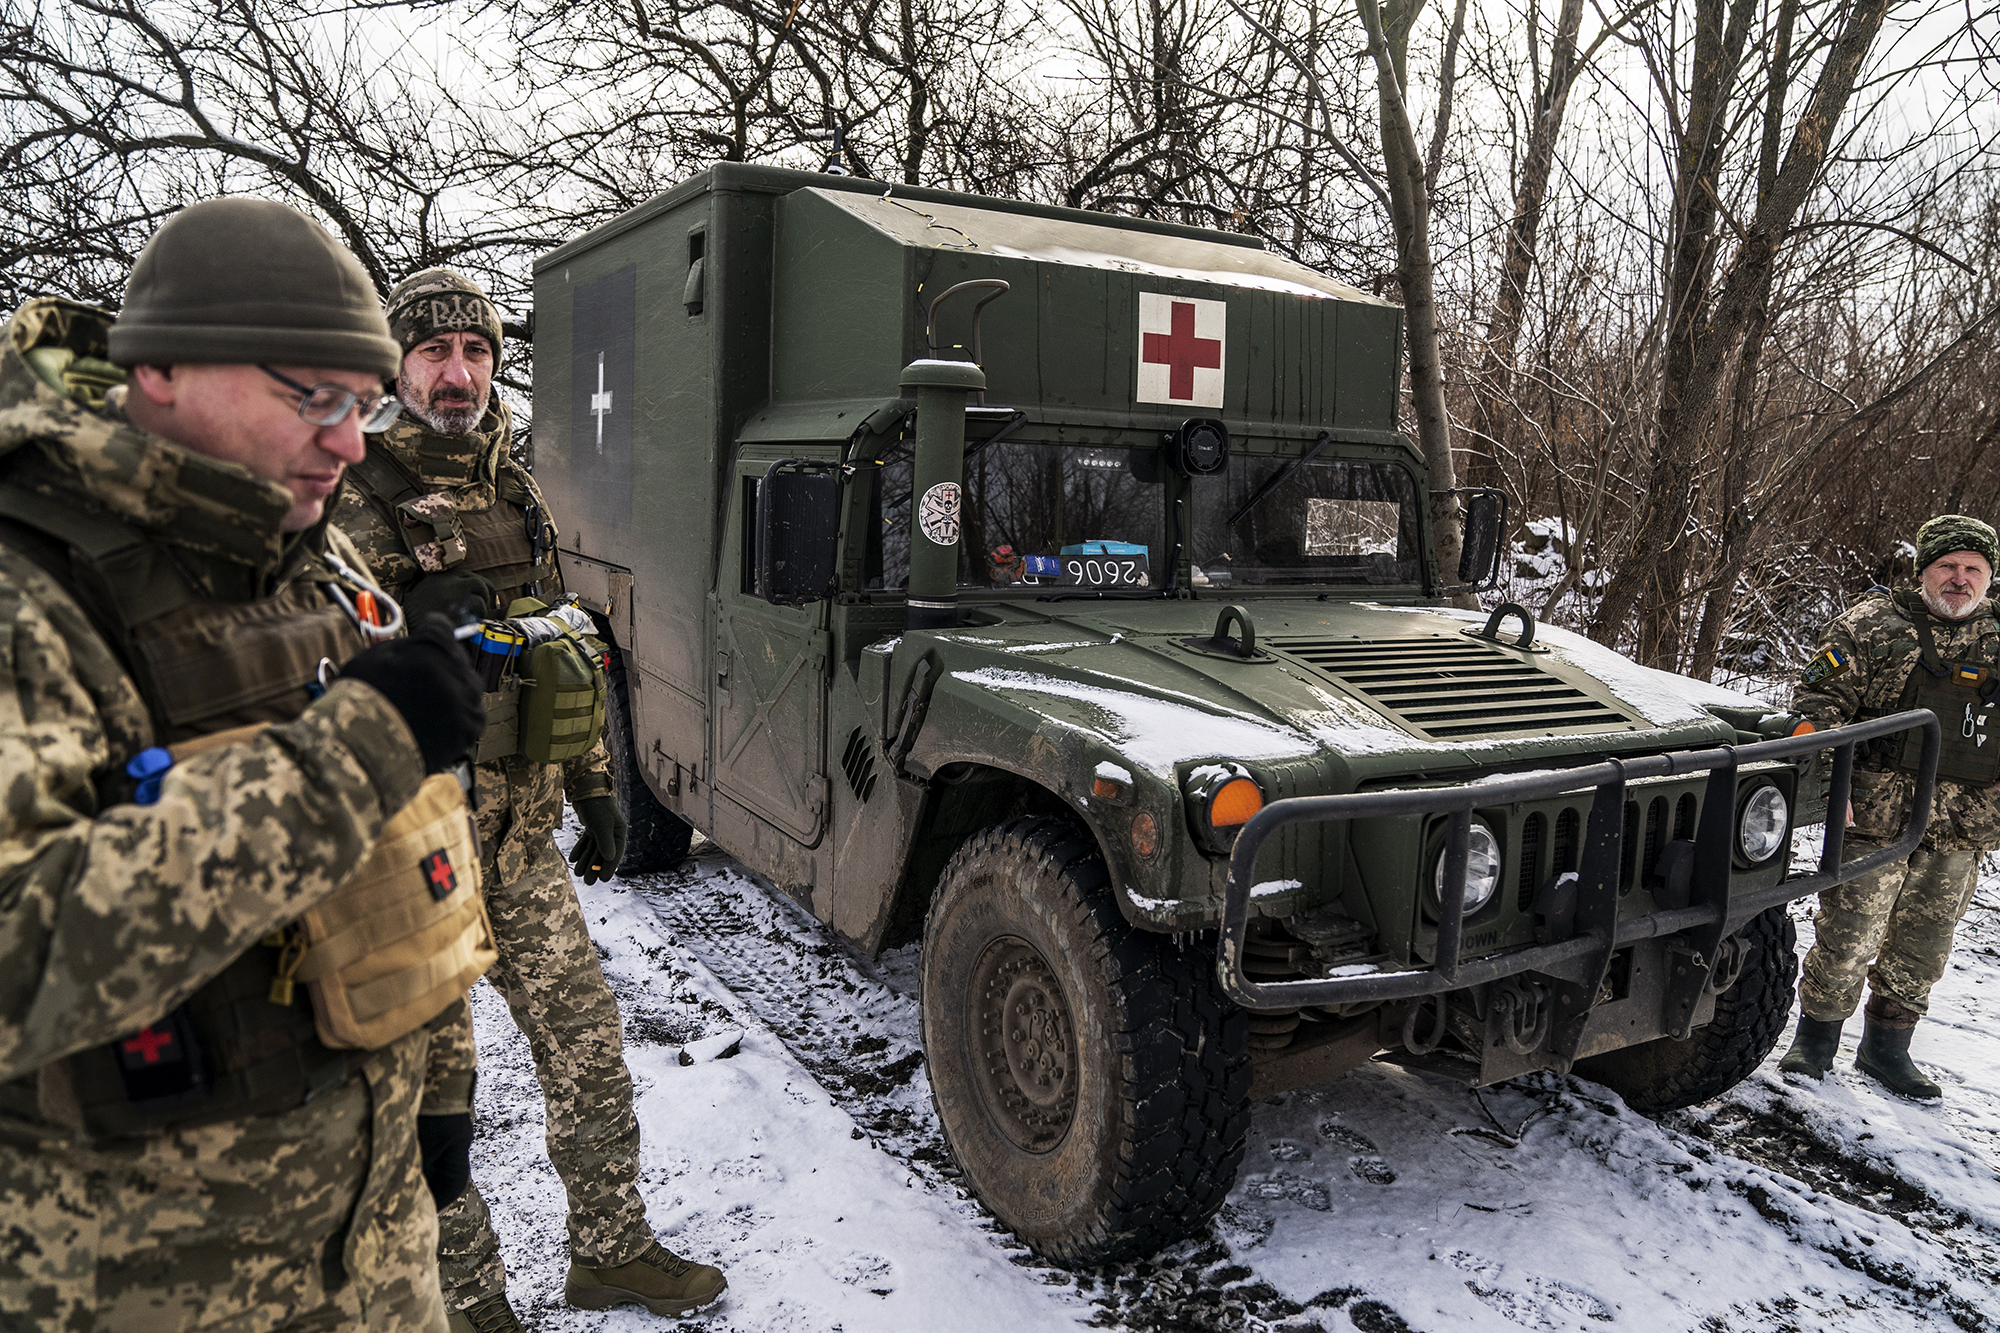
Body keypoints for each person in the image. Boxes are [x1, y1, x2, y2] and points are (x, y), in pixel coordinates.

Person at [0, 198, 486, 1329]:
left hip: (374, 1257)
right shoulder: (29, 592)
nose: (350, 442)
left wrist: (437, 1082)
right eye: (309, 397)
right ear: (159, 368)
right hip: (139, 1284)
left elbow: (410, 842)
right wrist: (347, 755)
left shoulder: (311, 549)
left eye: (361, 404)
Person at [332, 268, 725, 1328]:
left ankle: (610, 1249)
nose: (458, 373)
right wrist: (405, 625)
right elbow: (316, 671)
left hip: (520, 835)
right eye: (434, 353)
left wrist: (597, 787)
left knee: (587, 1047)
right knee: (433, 1096)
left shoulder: (516, 483)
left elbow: (564, 647)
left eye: (475, 351)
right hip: (416, 847)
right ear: (398, 364)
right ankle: (463, 1298)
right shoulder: (347, 489)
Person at [1780, 514, 2000, 1100]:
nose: (1959, 579)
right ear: (1922, 570)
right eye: (1947, 566)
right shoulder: (1871, 626)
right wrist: (1829, 787)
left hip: (1963, 826)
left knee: (1924, 946)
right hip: (1875, 816)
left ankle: (1887, 1051)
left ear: (1989, 577)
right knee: (1848, 933)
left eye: (1973, 569)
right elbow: (1815, 706)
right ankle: (1816, 1041)